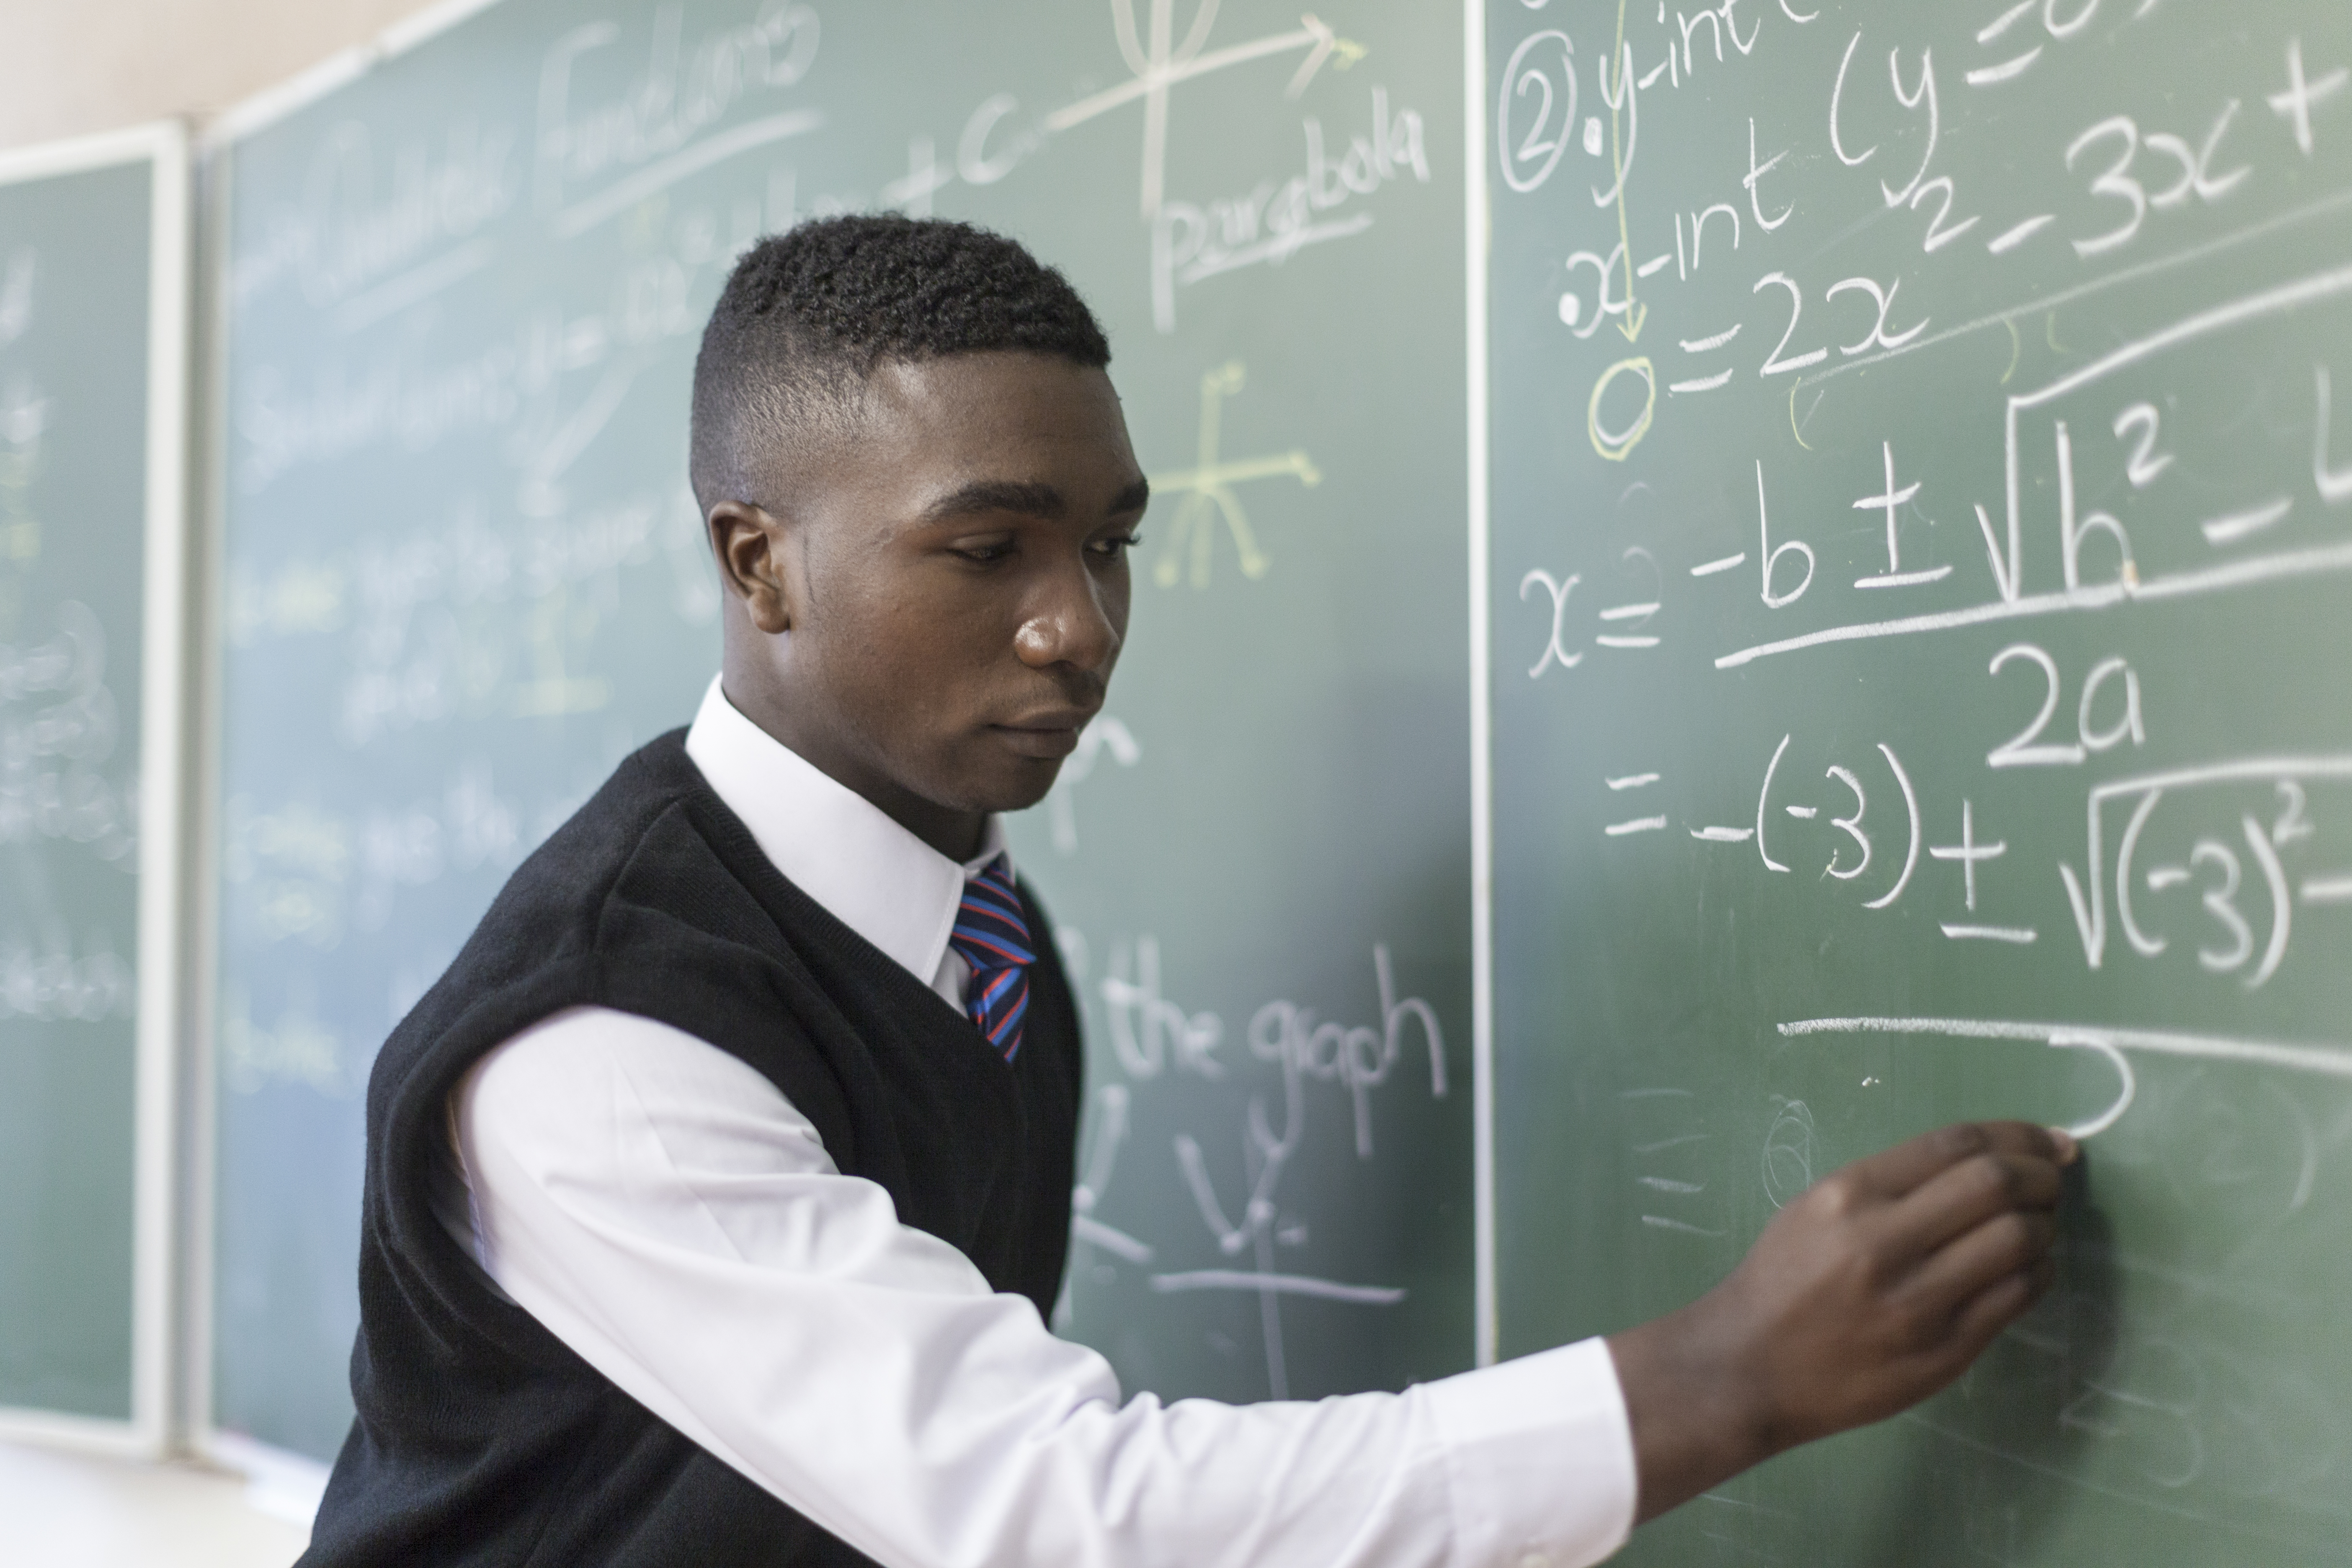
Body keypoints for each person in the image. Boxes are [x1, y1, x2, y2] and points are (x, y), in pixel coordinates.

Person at [299, 214, 2076, 1568]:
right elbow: (1058, 1512)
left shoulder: (968, 927)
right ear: (757, 559)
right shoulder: (605, 1048)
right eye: (988, 549)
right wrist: (1717, 1380)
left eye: (1108, 545)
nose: (1079, 626)